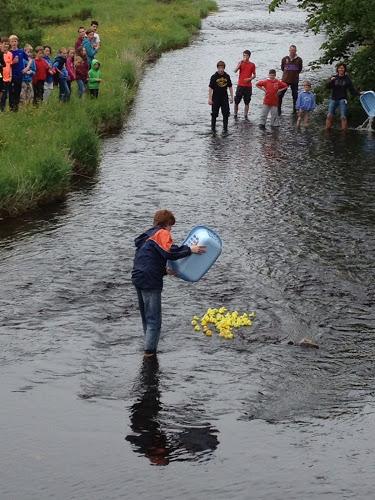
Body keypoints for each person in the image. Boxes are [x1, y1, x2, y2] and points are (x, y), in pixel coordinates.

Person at [132, 210, 206, 357]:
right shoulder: (162, 233)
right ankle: (150, 354)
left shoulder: (148, 235)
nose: (171, 229)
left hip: (138, 276)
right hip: (150, 280)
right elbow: (170, 252)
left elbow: (149, 258)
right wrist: (191, 249)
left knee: (146, 317)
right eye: (170, 226)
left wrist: (165, 271)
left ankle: (148, 345)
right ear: (166, 224)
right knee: (154, 319)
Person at [325, 63, 359, 131]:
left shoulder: (347, 79)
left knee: (343, 117)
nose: (341, 69)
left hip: (343, 99)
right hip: (333, 99)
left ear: (344, 69)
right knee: (329, 116)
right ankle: (327, 131)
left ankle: (344, 133)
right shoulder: (334, 77)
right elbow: (327, 87)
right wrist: (331, 81)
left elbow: (352, 90)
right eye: (339, 68)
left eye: (342, 68)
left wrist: (359, 93)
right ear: (337, 69)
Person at [208, 60, 234, 134]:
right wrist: (209, 99)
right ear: (217, 68)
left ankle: (225, 129)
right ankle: (213, 130)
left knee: (226, 114)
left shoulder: (227, 76)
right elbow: (210, 88)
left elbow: (230, 87)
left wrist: (232, 97)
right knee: (214, 114)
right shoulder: (214, 76)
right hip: (215, 98)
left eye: (222, 68)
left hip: (224, 98)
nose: (221, 69)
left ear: (224, 68)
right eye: (219, 68)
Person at [278, 44, 303, 115]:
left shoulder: (299, 59)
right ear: (289, 50)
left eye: (294, 50)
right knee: (280, 95)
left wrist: (294, 73)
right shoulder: (284, 59)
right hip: (285, 80)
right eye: (291, 50)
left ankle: (294, 110)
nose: (292, 52)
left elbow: (300, 69)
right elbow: (282, 68)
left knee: (295, 95)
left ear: (296, 51)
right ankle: (278, 110)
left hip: (294, 80)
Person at [9, 34, 31, 111]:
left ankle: (16, 109)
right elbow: (6, 64)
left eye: (15, 41)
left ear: (17, 42)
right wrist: (13, 62)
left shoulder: (21, 51)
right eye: (12, 41)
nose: (14, 43)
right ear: (10, 43)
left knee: (18, 92)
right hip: (11, 75)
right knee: (11, 92)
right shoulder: (9, 52)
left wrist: (27, 68)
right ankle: (11, 108)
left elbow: (30, 59)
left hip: (20, 75)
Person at [233, 49, 256, 120]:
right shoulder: (241, 63)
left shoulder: (252, 64)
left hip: (248, 86)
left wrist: (249, 79)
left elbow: (254, 75)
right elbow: (235, 71)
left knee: (247, 102)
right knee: (236, 101)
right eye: (243, 55)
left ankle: (245, 116)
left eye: (245, 55)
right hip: (240, 85)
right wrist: (239, 64)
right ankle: (235, 114)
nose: (244, 57)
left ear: (249, 56)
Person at [0, 38, 12, 111]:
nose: (6, 45)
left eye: (7, 44)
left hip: (7, 77)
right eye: (4, 44)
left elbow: (10, 66)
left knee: (4, 94)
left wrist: (10, 75)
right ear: (1, 44)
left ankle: (2, 109)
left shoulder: (10, 54)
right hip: (1, 76)